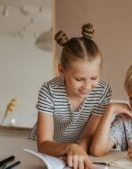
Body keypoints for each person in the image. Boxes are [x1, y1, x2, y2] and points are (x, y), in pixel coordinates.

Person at [28, 23, 112, 169]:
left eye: (94, 78)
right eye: (79, 79)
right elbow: (43, 144)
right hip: (48, 150)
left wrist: (77, 151)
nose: (87, 87)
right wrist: (68, 149)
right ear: (61, 70)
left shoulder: (102, 92)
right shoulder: (49, 91)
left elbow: (88, 136)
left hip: (77, 149)